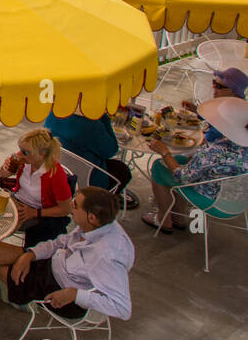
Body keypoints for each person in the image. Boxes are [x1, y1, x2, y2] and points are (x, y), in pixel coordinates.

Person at [0, 186, 133, 336]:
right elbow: (61, 242)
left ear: (91, 217)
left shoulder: (107, 255)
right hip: (52, 264)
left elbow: (122, 308)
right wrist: (30, 254)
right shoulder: (95, 225)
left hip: (57, 287)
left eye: (75, 204)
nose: (71, 205)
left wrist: (75, 294)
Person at [143, 96, 248, 232]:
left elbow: (183, 176)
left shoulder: (216, 150)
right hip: (238, 202)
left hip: (213, 202)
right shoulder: (233, 148)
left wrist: (165, 152)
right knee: (181, 160)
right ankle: (178, 217)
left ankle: (163, 219)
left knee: (159, 165)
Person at [0, 127, 74, 248]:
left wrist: (35, 212)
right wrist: (5, 169)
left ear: (43, 154)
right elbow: (3, 175)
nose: (20, 153)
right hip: (16, 199)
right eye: (20, 149)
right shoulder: (24, 160)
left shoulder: (55, 174)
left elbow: (66, 209)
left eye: (25, 152)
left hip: (36, 211)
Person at [45, 110, 134, 207]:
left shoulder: (54, 113)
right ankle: (100, 208)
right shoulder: (92, 125)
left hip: (56, 173)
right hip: (87, 184)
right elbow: (111, 150)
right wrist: (103, 117)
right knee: (123, 170)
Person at [182, 67, 247, 145]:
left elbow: (210, 137)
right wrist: (196, 110)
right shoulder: (228, 103)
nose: (213, 87)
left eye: (219, 86)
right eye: (214, 83)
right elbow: (214, 120)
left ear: (233, 91)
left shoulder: (233, 113)